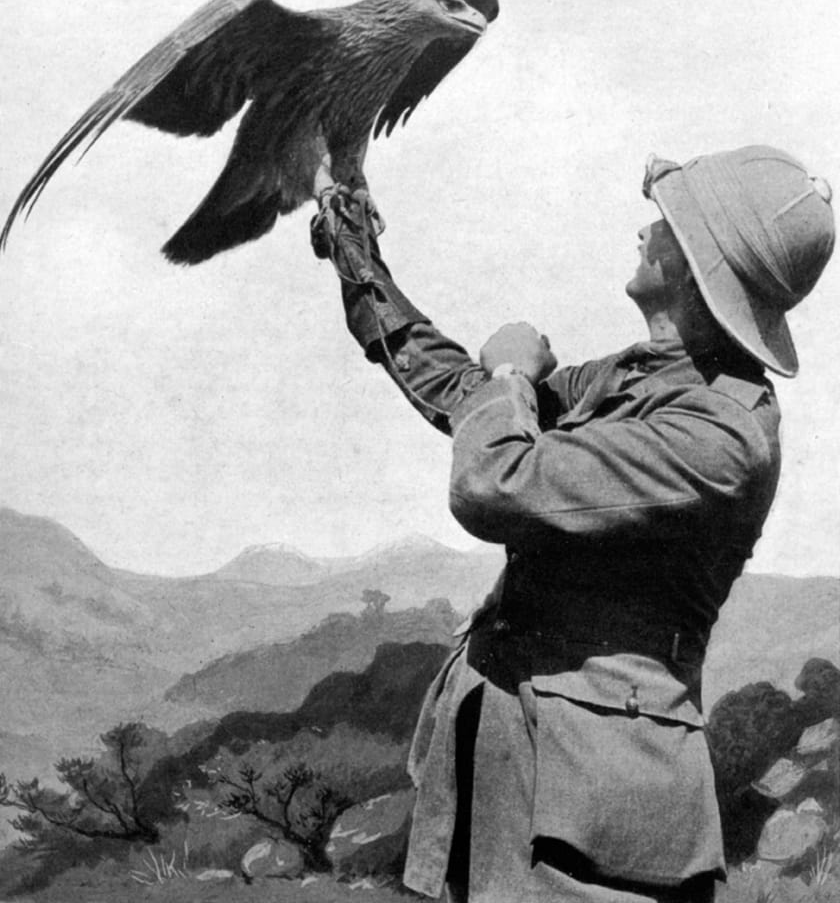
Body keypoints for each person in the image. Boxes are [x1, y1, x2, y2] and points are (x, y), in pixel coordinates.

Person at [312, 145, 834, 903]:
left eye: (665, 224)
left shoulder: (721, 437)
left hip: (591, 823)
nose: (645, 231)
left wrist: (509, 377)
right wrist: (354, 247)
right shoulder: (646, 377)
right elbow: (469, 401)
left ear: (695, 262)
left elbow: (494, 480)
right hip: (510, 785)